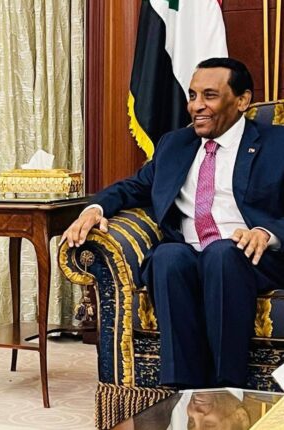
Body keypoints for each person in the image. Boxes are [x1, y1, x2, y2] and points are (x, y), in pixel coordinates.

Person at [62, 58, 284, 389]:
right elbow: (133, 187)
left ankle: (227, 389)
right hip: (191, 252)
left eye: (209, 95)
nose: (196, 106)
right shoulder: (175, 144)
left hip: (252, 258)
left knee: (222, 254)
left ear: (242, 100)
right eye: (192, 95)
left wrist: (267, 233)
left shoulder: (277, 144)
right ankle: (184, 390)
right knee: (167, 256)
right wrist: (94, 209)